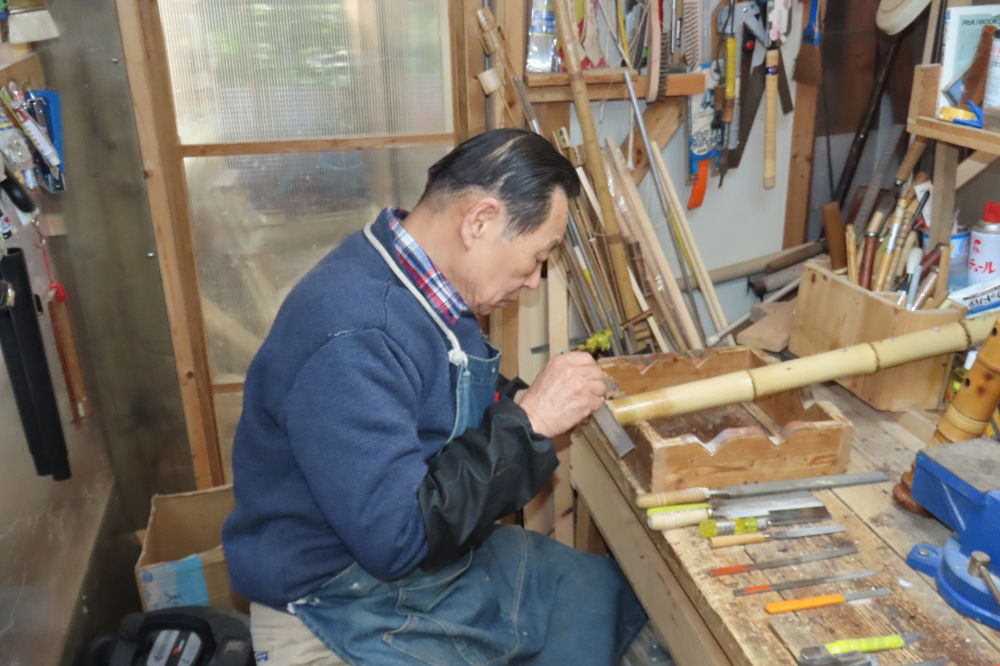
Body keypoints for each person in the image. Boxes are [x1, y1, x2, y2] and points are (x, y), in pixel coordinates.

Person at [222, 128, 647, 665]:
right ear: (479, 221)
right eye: (539, 256)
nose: (536, 280)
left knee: (597, 592)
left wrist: (531, 403)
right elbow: (396, 539)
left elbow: (451, 399)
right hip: (336, 592)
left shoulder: (421, 287)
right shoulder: (356, 334)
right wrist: (532, 420)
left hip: (410, 559)